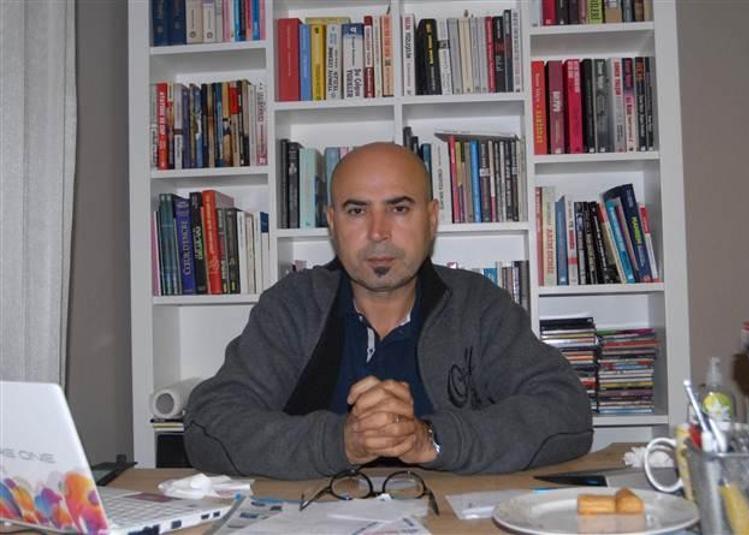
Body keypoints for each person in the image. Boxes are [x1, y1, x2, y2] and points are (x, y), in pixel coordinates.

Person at [184, 142, 593, 479]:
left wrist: (430, 439)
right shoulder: (293, 306)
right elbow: (210, 424)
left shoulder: (477, 306)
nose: (378, 232)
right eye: (357, 211)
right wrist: (340, 442)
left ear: (431, 218)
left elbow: (566, 411)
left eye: (399, 208)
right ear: (332, 223)